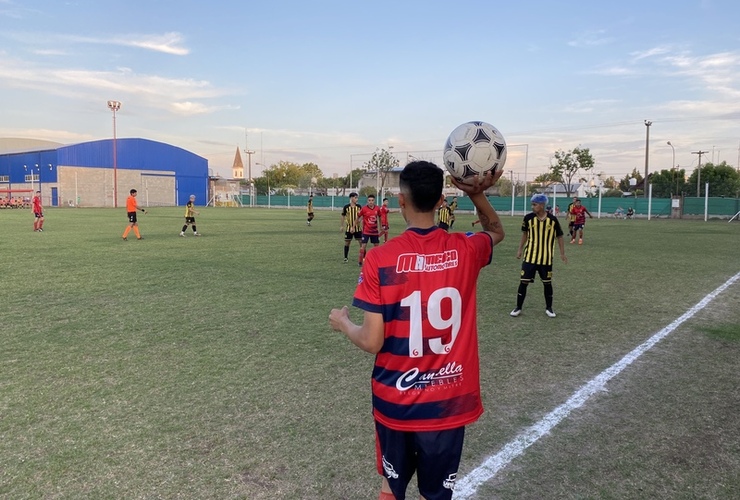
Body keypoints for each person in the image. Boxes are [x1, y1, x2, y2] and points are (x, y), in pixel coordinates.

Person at [329, 161, 505, 500]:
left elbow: (372, 340)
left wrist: (344, 323)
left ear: (400, 201)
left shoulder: (380, 259)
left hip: (396, 399)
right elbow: (496, 231)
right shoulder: (465, 249)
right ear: (442, 200)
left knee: (391, 487)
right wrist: (478, 194)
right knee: (434, 494)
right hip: (449, 400)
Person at [511, 193, 568, 318]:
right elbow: (524, 234)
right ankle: (518, 307)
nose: (532, 207)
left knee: (547, 283)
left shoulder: (552, 220)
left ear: (542, 205)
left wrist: (562, 253)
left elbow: (559, 236)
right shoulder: (528, 218)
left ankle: (549, 308)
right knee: (523, 282)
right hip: (530, 257)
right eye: (532, 204)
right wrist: (520, 249)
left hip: (546, 259)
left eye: (534, 204)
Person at [357, 194, 382, 266]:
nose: (371, 202)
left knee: (376, 246)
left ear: (374, 201)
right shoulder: (364, 209)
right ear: (367, 201)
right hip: (366, 231)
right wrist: (354, 225)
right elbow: (358, 217)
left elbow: (380, 217)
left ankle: (376, 261)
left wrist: (380, 227)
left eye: (372, 200)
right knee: (363, 246)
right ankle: (360, 261)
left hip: (374, 231)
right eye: (369, 200)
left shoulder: (377, 208)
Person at [341, 192, 361, 263]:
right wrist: (342, 226)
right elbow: (343, 216)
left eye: (357, 198)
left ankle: (364, 258)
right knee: (347, 242)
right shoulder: (346, 207)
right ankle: (346, 257)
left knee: (361, 243)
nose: (356, 199)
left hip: (358, 228)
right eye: (355, 198)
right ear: (352, 198)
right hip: (349, 228)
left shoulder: (359, 206)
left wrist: (359, 220)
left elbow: (362, 216)